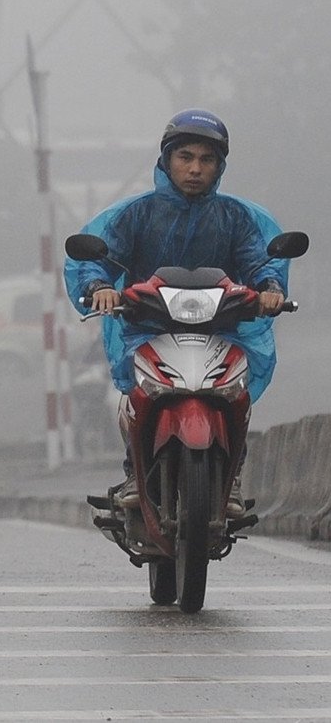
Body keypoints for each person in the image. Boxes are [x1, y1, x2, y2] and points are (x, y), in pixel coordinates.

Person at [64, 109, 287, 512]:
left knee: (237, 394)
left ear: (220, 166)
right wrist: (98, 287)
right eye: (185, 157)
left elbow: (260, 262)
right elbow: (98, 259)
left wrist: (270, 288)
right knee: (137, 391)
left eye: (207, 160)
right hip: (148, 329)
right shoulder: (135, 215)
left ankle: (232, 474)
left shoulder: (235, 218)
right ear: (166, 160)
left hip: (223, 332)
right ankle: (135, 470)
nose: (195, 169)